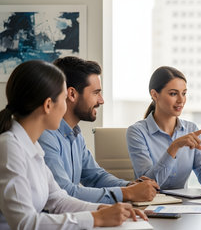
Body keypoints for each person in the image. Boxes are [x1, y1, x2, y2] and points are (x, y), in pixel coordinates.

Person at [0, 60, 147, 230]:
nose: (65, 108)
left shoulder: (32, 147)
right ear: (48, 105)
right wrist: (95, 218)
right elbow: (24, 223)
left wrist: (102, 210)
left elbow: (58, 199)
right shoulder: (10, 148)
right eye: (63, 99)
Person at [38, 56, 159, 204]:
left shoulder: (75, 134)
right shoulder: (45, 136)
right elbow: (65, 192)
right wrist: (126, 193)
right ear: (72, 94)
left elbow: (95, 176)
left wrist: (130, 186)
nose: (101, 100)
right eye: (96, 93)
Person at [127, 66, 201, 189]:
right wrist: (174, 147)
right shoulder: (137, 132)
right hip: (151, 205)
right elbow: (148, 185)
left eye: (184, 93)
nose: (181, 100)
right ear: (154, 95)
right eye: (173, 94)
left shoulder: (191, 129)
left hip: (182, 206)